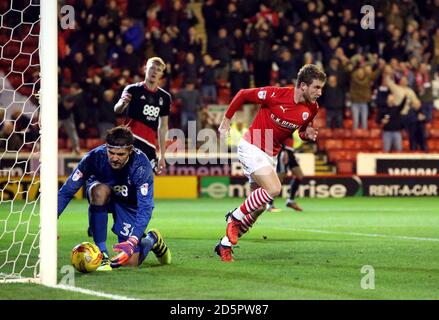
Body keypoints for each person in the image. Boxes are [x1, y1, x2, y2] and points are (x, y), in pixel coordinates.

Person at [215, 64, 326, 262]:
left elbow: (301, 130)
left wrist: (306, 135)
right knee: (274, 189)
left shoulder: (312, 108)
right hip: (252, 146)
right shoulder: (275, 94)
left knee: (257, 209)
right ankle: (234, 217)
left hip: (270, 156)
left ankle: (225, 244)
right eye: (316, 87)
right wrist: (226, 120)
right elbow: (242, 94)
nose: (320, 92)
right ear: (302, 86)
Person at [57, 126, 171, 271]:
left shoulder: (141, 167)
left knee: (130, 263)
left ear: (130, 150)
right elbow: (66, 191)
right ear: (106, 148)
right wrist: (50, 223)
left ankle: (152, 239)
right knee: (99, 191)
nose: (115, 158)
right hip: (104, 195)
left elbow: (146, 207)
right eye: (111, 152)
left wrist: (133, 240)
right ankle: (102, 254)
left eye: (120, 154)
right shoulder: (93, 158)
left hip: (128, 204)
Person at [114, 56, 171, 175]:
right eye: (152, 68)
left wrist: (162, 155)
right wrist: (123, 103)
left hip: (148, 145)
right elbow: (117, 109)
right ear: (145, 69)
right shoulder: (132, 89)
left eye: (158, 70)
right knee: (125, 179)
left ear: (161, 74)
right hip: (130, 141)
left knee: (146, 182)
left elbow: (163, 127)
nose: (155, 71)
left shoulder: (165, 97)